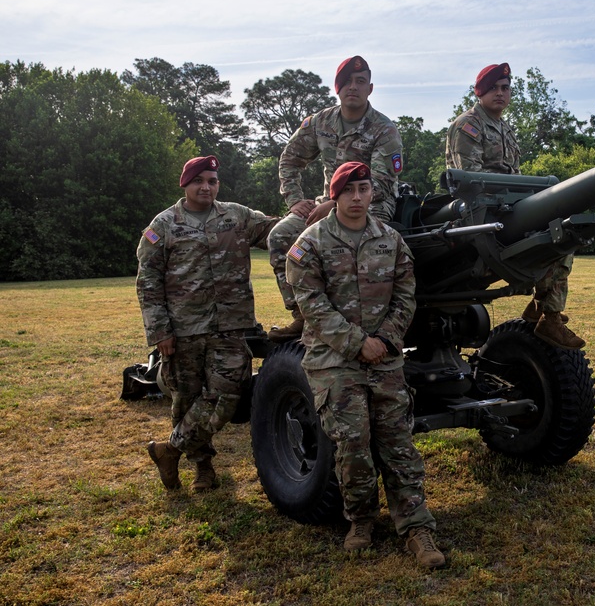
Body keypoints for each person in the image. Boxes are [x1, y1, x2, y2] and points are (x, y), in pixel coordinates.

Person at [285, 161, 446, 569]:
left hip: (384, 355)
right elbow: (313, 306)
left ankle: (415, 526)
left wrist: (387, 340)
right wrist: (359, 344)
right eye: (349, 190)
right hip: (334, 359)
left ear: (373, 193)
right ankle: (360, 519)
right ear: (335, 196)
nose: (357, 197)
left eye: (364, 189)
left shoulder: (390, 240)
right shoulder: (310, 244)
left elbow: (406, 294)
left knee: (397, 440)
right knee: (353, 440)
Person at [138, 155, 277, 492]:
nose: (206, 187)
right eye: (199, 180)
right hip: (183, 329)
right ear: (185, 184)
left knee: (226, 394)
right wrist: (160, 332)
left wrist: (314, 212)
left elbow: (276, 230)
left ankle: (169, 450)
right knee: (186, 399)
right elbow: (148, 280)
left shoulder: (237, 216)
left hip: (232, 326)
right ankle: (203, 468)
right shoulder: (164, 224)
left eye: (212, 181)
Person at [446, 62, 585, 350]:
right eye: (494, 88)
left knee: (562, 231)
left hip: (508, 206)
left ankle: (546, 311)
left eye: (505, 88)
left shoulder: (505, 129)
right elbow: (470, 182)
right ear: (480, 92)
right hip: (480, 214)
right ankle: (548, 313)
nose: (500, 93)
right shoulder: (468, 125)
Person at [267, 55, 404, 342]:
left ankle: (363, 324)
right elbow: (289, 160)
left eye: (360, 82)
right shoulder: (320, 123)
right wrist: (295, 200)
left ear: (370, 88)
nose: (353, 87)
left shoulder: (384, 129)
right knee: (280, 237)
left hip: (371, 203)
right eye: (347, 82)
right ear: (337, 88)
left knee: (349, 248)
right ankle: (302, 316)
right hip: (326, 203)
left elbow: (381, 182)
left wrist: (336, 202)